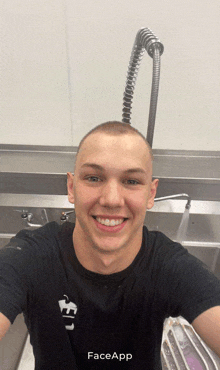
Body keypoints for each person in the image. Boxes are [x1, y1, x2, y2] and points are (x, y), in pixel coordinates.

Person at [0, 120, 220, 370]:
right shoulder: (31, 258)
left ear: (151, 193)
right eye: (94, 178)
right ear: (72, 188)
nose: (112, 199)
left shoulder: (168, 266)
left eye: (132, 181)